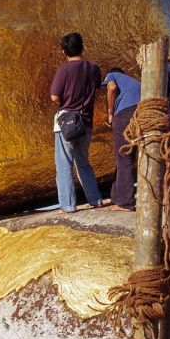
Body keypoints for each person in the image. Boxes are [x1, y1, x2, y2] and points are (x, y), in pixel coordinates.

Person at [50, 32, 103, 213]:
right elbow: (96, 87)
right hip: (86, 120)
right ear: (83, 46)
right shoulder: (93, 68)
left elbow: (55, 97)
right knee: (83, 162)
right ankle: (95, 199)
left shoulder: (63, 70)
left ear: (64, 50)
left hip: (66, 122)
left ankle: (68, 205)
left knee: (64, 163)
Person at [102, 68, 140, 211]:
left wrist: (110, 112)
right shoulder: (134, 82)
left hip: (125, 113)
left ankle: (125, 202)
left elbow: (111, 88)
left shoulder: (112, 74)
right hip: (141, 111)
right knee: (128, 156)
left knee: (123, 156)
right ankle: (117, 196)